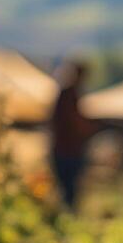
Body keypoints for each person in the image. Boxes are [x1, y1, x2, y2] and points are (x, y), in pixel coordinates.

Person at [49, 59, 95, 208]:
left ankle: (66, 217)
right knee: (68, 189)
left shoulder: (72, 95)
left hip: (69, 150)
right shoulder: (68, 95)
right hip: (66, 151)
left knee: (69, 189)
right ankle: (66, 217)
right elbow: (73, 123)